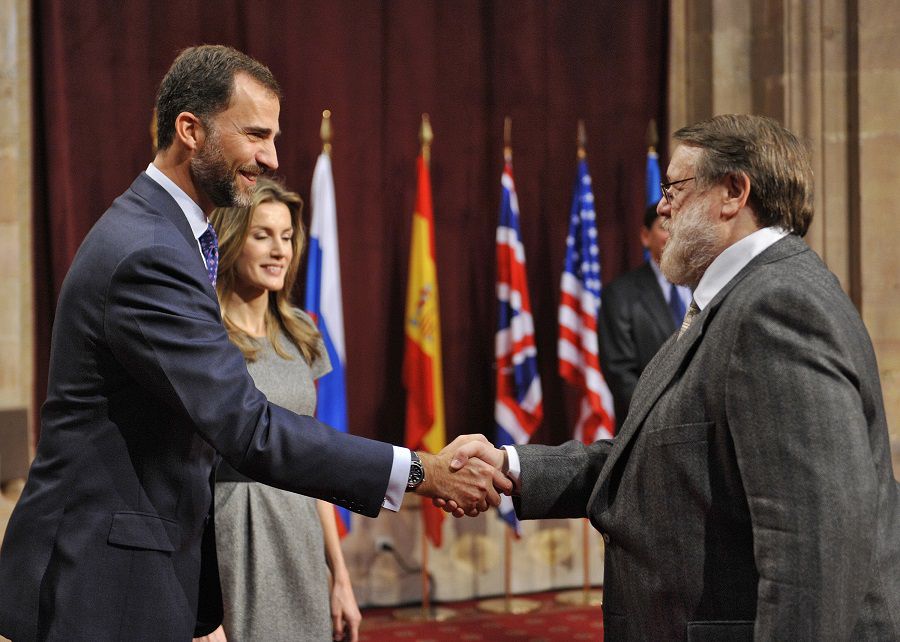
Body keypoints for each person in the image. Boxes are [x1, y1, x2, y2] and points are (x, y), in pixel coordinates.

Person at [0, 45, 506, 641]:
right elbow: (248, 428)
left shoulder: (163, 235)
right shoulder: (150, 253)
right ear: (190, 129)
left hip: (135, 568)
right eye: (256, 135)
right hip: (102, 582)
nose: (270, 157)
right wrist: (419, 470)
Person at [449, 114, 900, 640]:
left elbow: (815, 546)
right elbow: (658, 461)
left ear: (733, 192)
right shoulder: (733, 302)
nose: (662, 207)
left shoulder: (776, 306)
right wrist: (512, 466)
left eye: (673, 188)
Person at [208, 179, 361, 642]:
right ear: (233, 239)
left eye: (288, 236)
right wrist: (202, 613)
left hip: (299, 537)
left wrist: (340, 576)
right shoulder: (203, 336)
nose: (280, 250)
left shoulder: (303, 335)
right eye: (262, 235)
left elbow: (314, 464)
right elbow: (182, 474)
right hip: (230, 535)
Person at [598, 205, 691, 426]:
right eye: (665, 227)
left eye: (680, 227)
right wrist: (666, 416)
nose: (673, 234)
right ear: (645, 236)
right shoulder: (620, 294)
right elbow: (620, 373)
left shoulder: (706, 285)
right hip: (648, 427)